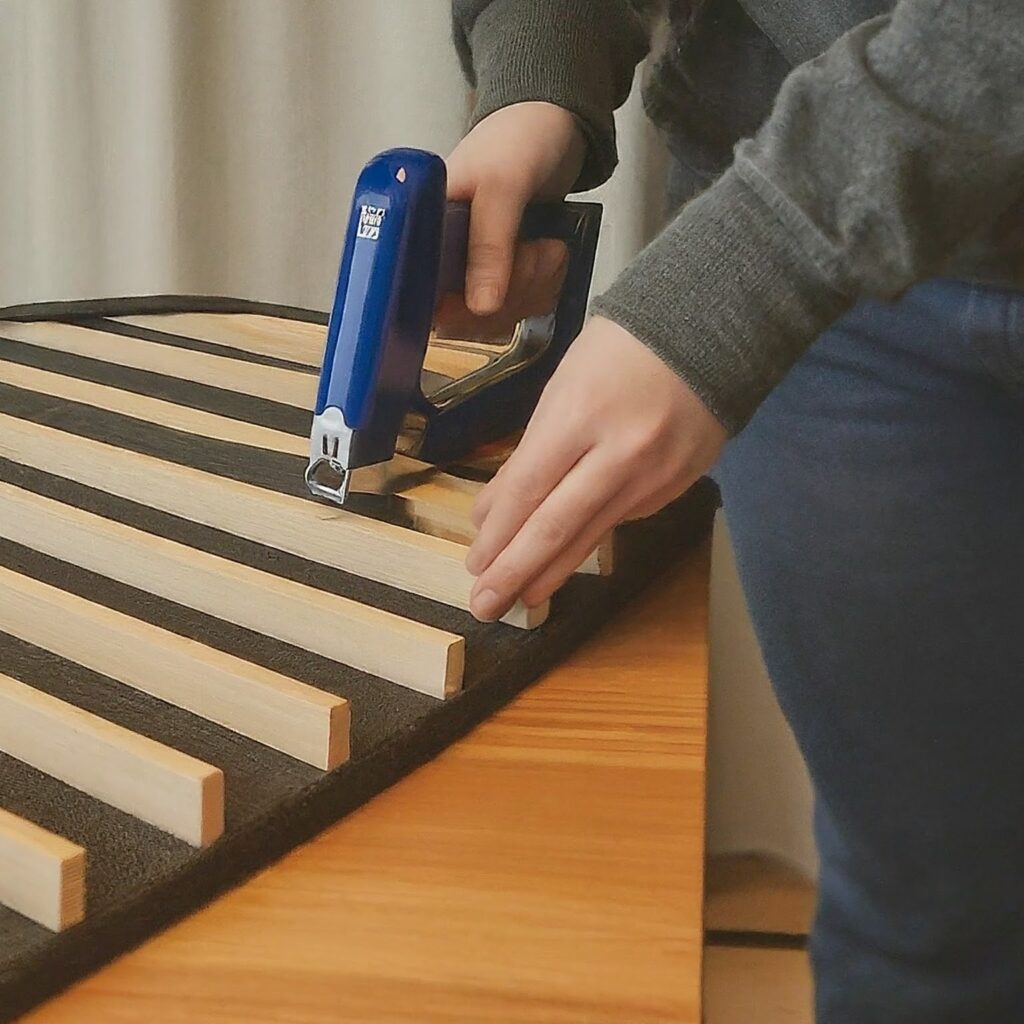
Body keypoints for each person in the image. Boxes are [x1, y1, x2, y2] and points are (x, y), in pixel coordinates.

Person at [448, 1, 1024, 1020]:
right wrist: (538, 64)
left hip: (794, 241)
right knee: (924, 909)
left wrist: (744, 276)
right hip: (846, 307)